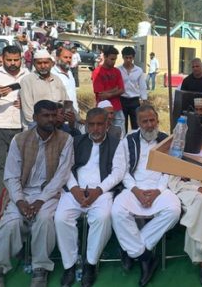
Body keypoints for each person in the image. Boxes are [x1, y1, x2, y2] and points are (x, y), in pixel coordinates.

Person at [0, 100, 74, 287]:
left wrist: (41, 201)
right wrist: (20, 201)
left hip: (49, 194)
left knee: (44, 220)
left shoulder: (65, 140)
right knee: (11, 223)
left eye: (53, 115)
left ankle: (40, 268)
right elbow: (11, 176)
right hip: (22, 193)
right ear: (35, 118)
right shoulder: (20, 139)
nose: (51, 119)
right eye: (45, 115)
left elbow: (62, 175)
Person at [111, 105, 181, 287]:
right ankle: (145, 257)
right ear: (138, 123)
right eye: (145, 121)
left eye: (152, 120)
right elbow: (122, 171)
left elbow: (171, 169)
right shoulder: (128, 140)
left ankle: (131, 250)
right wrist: (136, 190)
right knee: (117, 211)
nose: (150, 125)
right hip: (134, 189)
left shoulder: (167, 140)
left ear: (158, 121)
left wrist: (158, 190)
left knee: (174, 210)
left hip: (160, 189)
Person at [55, 108, 125, 287]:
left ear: (107, 124)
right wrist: (75, 189)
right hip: (74, 190)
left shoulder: (117, 143)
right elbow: (66, 168)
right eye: (91, 124)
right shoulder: (75, 141)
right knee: (61, 218)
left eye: (100, 124)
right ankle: (69, 266)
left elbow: (118, 173)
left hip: (102, 191)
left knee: (102, 217)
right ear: (85, 125)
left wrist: (99, 191)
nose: (95, 128)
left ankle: (90, 264)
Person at [0, 45, 29, 219]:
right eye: (9, 60)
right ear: (3, 58)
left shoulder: (28, 75)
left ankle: (19, 198)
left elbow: (34, 97)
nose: (13, 63)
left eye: (16, 60)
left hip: (20, 125)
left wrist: (26, 104)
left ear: (21, 59)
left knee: (21, 165)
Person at [19, 49, 69, 129]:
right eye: (39, 63)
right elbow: (28, 113)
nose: (43, 66)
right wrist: (50, 121)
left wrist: (64, 116)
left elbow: (66, 102)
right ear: (34, 64)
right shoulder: (27, 81)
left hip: (58, 127)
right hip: (36, 129)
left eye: (46, 63)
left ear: (52, 63)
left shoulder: (57, 80)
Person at [92, 46, 125, 133]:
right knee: (102, 133)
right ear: (105, 57)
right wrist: (115, 89)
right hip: (103, 109)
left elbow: (122, 90)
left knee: (120, 135)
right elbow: (101, 95)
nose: (113, 61)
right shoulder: (97, 72)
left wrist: (109, 93)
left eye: (115, 59)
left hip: (117, 108)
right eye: (111, 59)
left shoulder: (117, 71)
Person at [118, 47, 147, 133]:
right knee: (122, 125)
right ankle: (123, 144)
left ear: (133, 58)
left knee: (136, 125)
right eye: (126, 57)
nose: (128, 60)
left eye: (130, 58)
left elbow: (142, 86)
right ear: (123, 57)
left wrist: (144, 100)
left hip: (134, 101)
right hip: (122, 100)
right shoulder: (118, 70)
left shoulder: (139, 70)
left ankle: (136, 143)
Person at [50, 47, 79, 115]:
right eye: (65, 57)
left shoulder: (69, 72)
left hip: (73, 114)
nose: (68, 60)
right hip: (59, 116)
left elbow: (73, 96)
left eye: (70, 57)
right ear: (57, 58)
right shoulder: (52, 73)